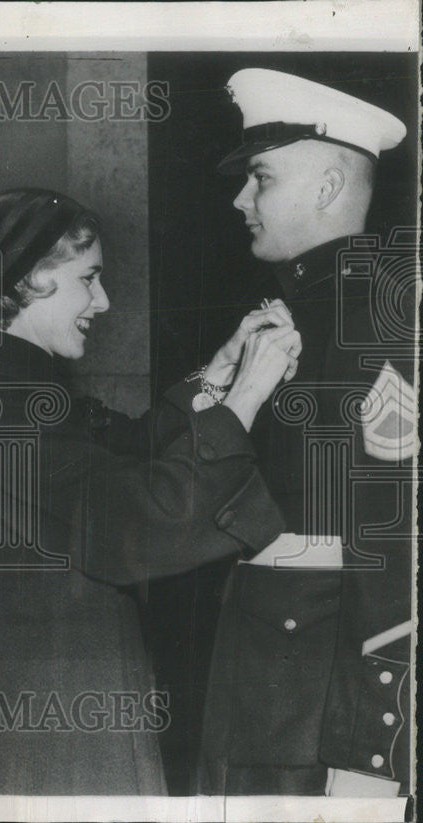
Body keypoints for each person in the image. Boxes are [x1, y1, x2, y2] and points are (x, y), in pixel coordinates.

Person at [0, 188, 303, 794]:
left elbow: (122, 450)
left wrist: (219, 372)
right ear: (30, 279)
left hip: (47, 701)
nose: (103, 302)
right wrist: (246, 397)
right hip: (45, 725)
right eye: (89, 279)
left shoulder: (1, 379)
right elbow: (131, 520)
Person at [199, 69, 415, 796]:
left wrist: (375, 744)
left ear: (326, 187)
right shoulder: (305, 307)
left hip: (320, 717)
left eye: (260, 177)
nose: (239, 200)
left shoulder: (372, 317)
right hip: (271, 698)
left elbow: (390, 535)